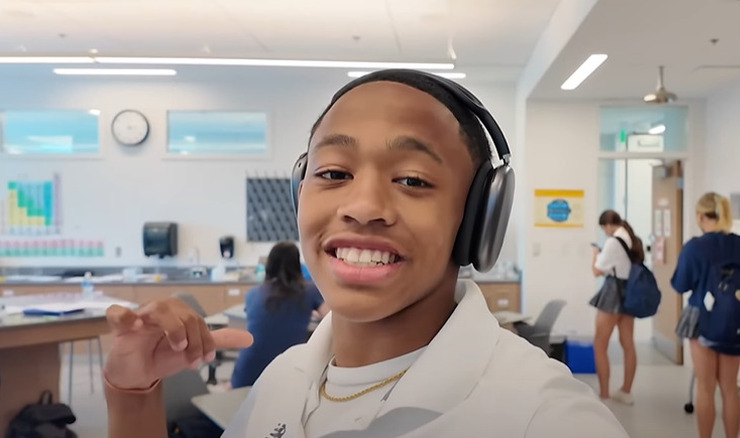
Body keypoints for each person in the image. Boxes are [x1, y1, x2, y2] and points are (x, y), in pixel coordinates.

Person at [102, 70, 628, 437]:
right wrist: (133, 394)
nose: (363, 206)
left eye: (413, 179)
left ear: (477, 220)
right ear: (299, 193)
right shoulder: (284, 380)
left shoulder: (544, 417)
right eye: (333, 173)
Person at [671, 192, 740, 438]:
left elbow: (680, 284)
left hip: (702, 319)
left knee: (705, 387)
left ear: (700, 215)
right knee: (730, 387)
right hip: (734, 319)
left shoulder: (695, 247)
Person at [230, 241, 328, 388]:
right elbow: (332, 318)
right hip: (288, 374)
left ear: (269, 264)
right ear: (296, 264)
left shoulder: (252, 293)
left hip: (245, 374)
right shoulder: (309, 291)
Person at [589, 210, 643, 405]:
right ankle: (626, 391)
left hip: (612, 293)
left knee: (599, 344)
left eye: (603, 228)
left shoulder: (613, 242)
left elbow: (596, 271)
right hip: (629, 292)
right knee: (628, 344)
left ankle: (604, 394)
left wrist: (595, 253)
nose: (604, 231)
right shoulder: (631, 238)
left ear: (609, 225)